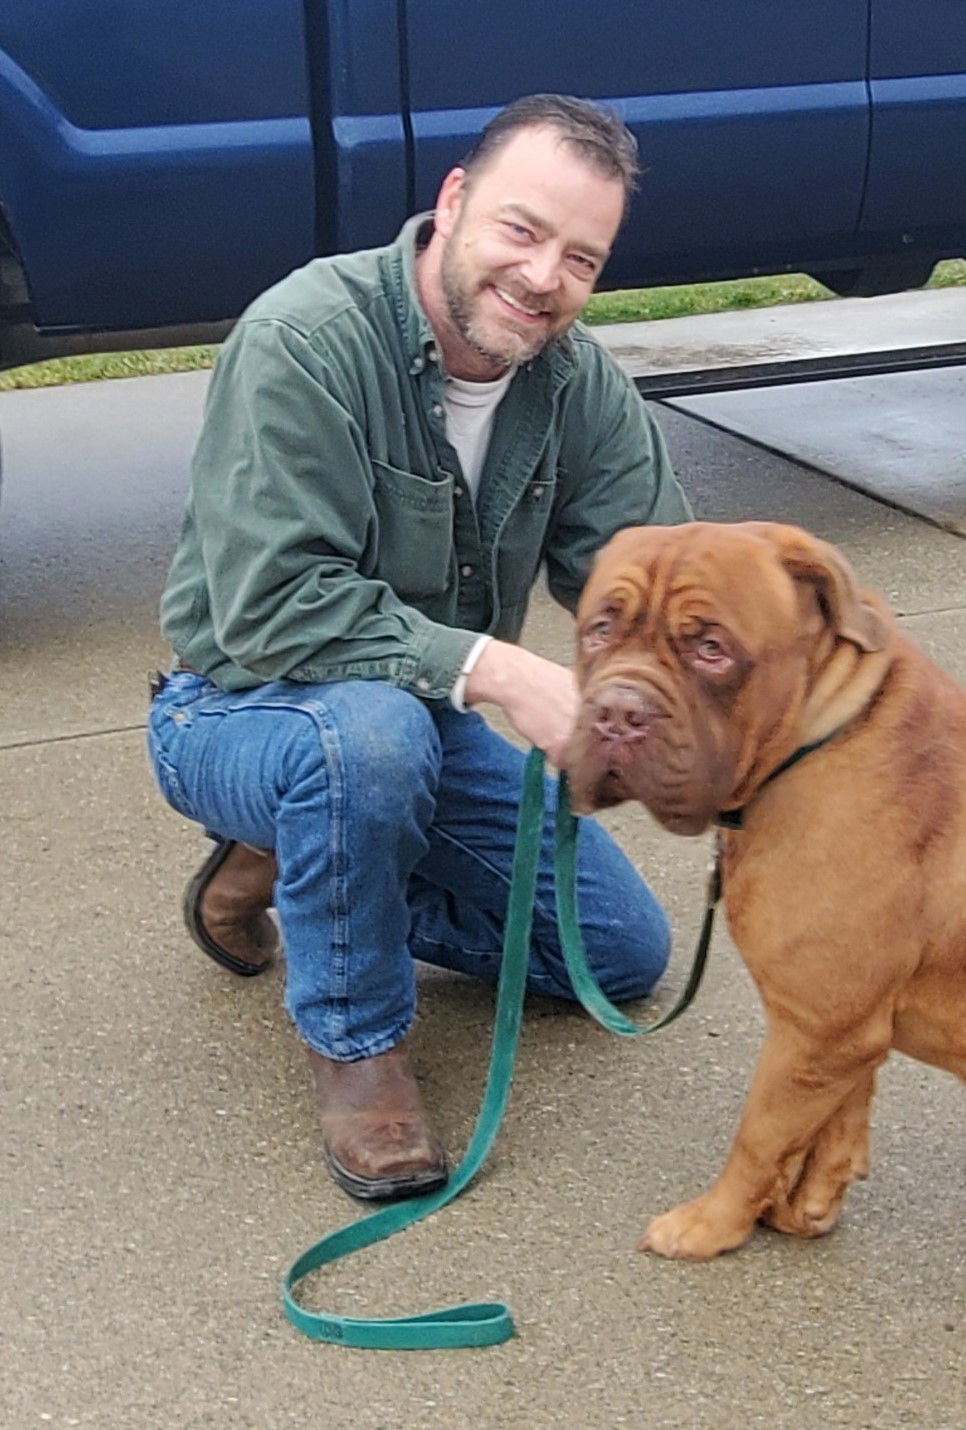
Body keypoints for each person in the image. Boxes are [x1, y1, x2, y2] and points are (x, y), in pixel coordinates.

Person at [147, 95, 691, 1200]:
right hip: (235, 705)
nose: (544, 278)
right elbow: (273, 603)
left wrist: (739, 703)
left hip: (412, 727)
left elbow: (653, 585)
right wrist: (503, 670)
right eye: (522, 230)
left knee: (617, 954)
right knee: (370, 740)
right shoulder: (304, 338)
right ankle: (357, 1043)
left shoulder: (577, 385)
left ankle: (301, 864)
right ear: (452, 203)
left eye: (581, 256)